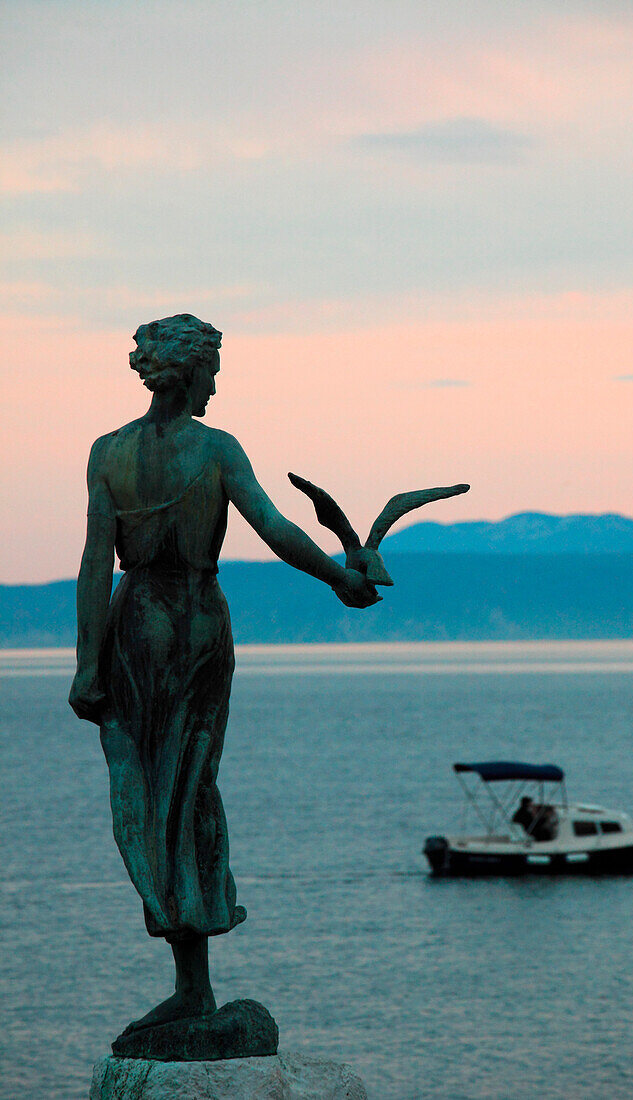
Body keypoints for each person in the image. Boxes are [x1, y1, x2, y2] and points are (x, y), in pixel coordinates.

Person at [68, 314, 379, 1033]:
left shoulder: (107, 452)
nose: (216, 383)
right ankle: (193, 985)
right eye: (212, 368)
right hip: (192, 626)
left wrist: (89, 661)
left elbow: (94, 564)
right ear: (192, 370)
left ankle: (191, 985)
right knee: (181, 793)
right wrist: (338, 577)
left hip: (133, 626)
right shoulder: (215, 449)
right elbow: (272, 527)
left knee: (156, 795)